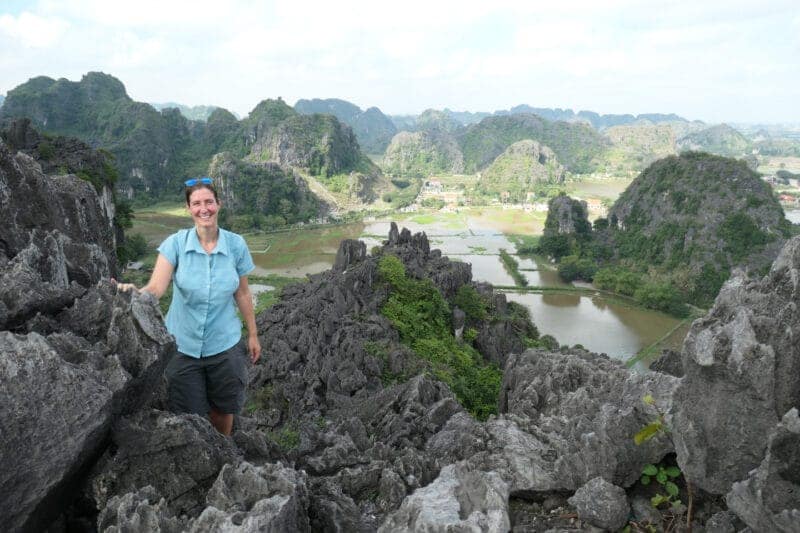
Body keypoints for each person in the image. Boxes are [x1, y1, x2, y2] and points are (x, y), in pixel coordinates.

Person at [116, 177, 261, 435]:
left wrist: (253, 334)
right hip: (183, 346)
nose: (203, 208)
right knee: (189, 414)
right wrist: (134, 292)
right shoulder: (176, 244)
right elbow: (155, 289)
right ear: (188, 208)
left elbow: (243, 293)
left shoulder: (236, 245)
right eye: (196, 203)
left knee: (223, 409)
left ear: (219, 204)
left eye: (208, 202)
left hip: (225, 345)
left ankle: (223, 452)